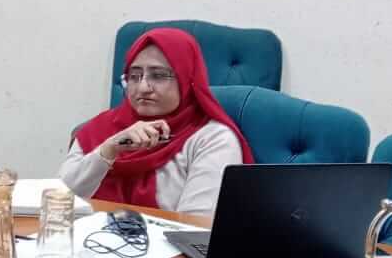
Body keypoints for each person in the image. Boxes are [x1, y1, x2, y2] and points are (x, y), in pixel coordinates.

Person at [58, 29, 254, 216]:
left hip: (166, 241)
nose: (143, 87)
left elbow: (195, 227)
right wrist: (108, 150)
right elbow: (59, 203)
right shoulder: (99, 129)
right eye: (134, 76)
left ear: (187, 78)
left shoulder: (213, 139)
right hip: (88, 238)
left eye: (158, 76)